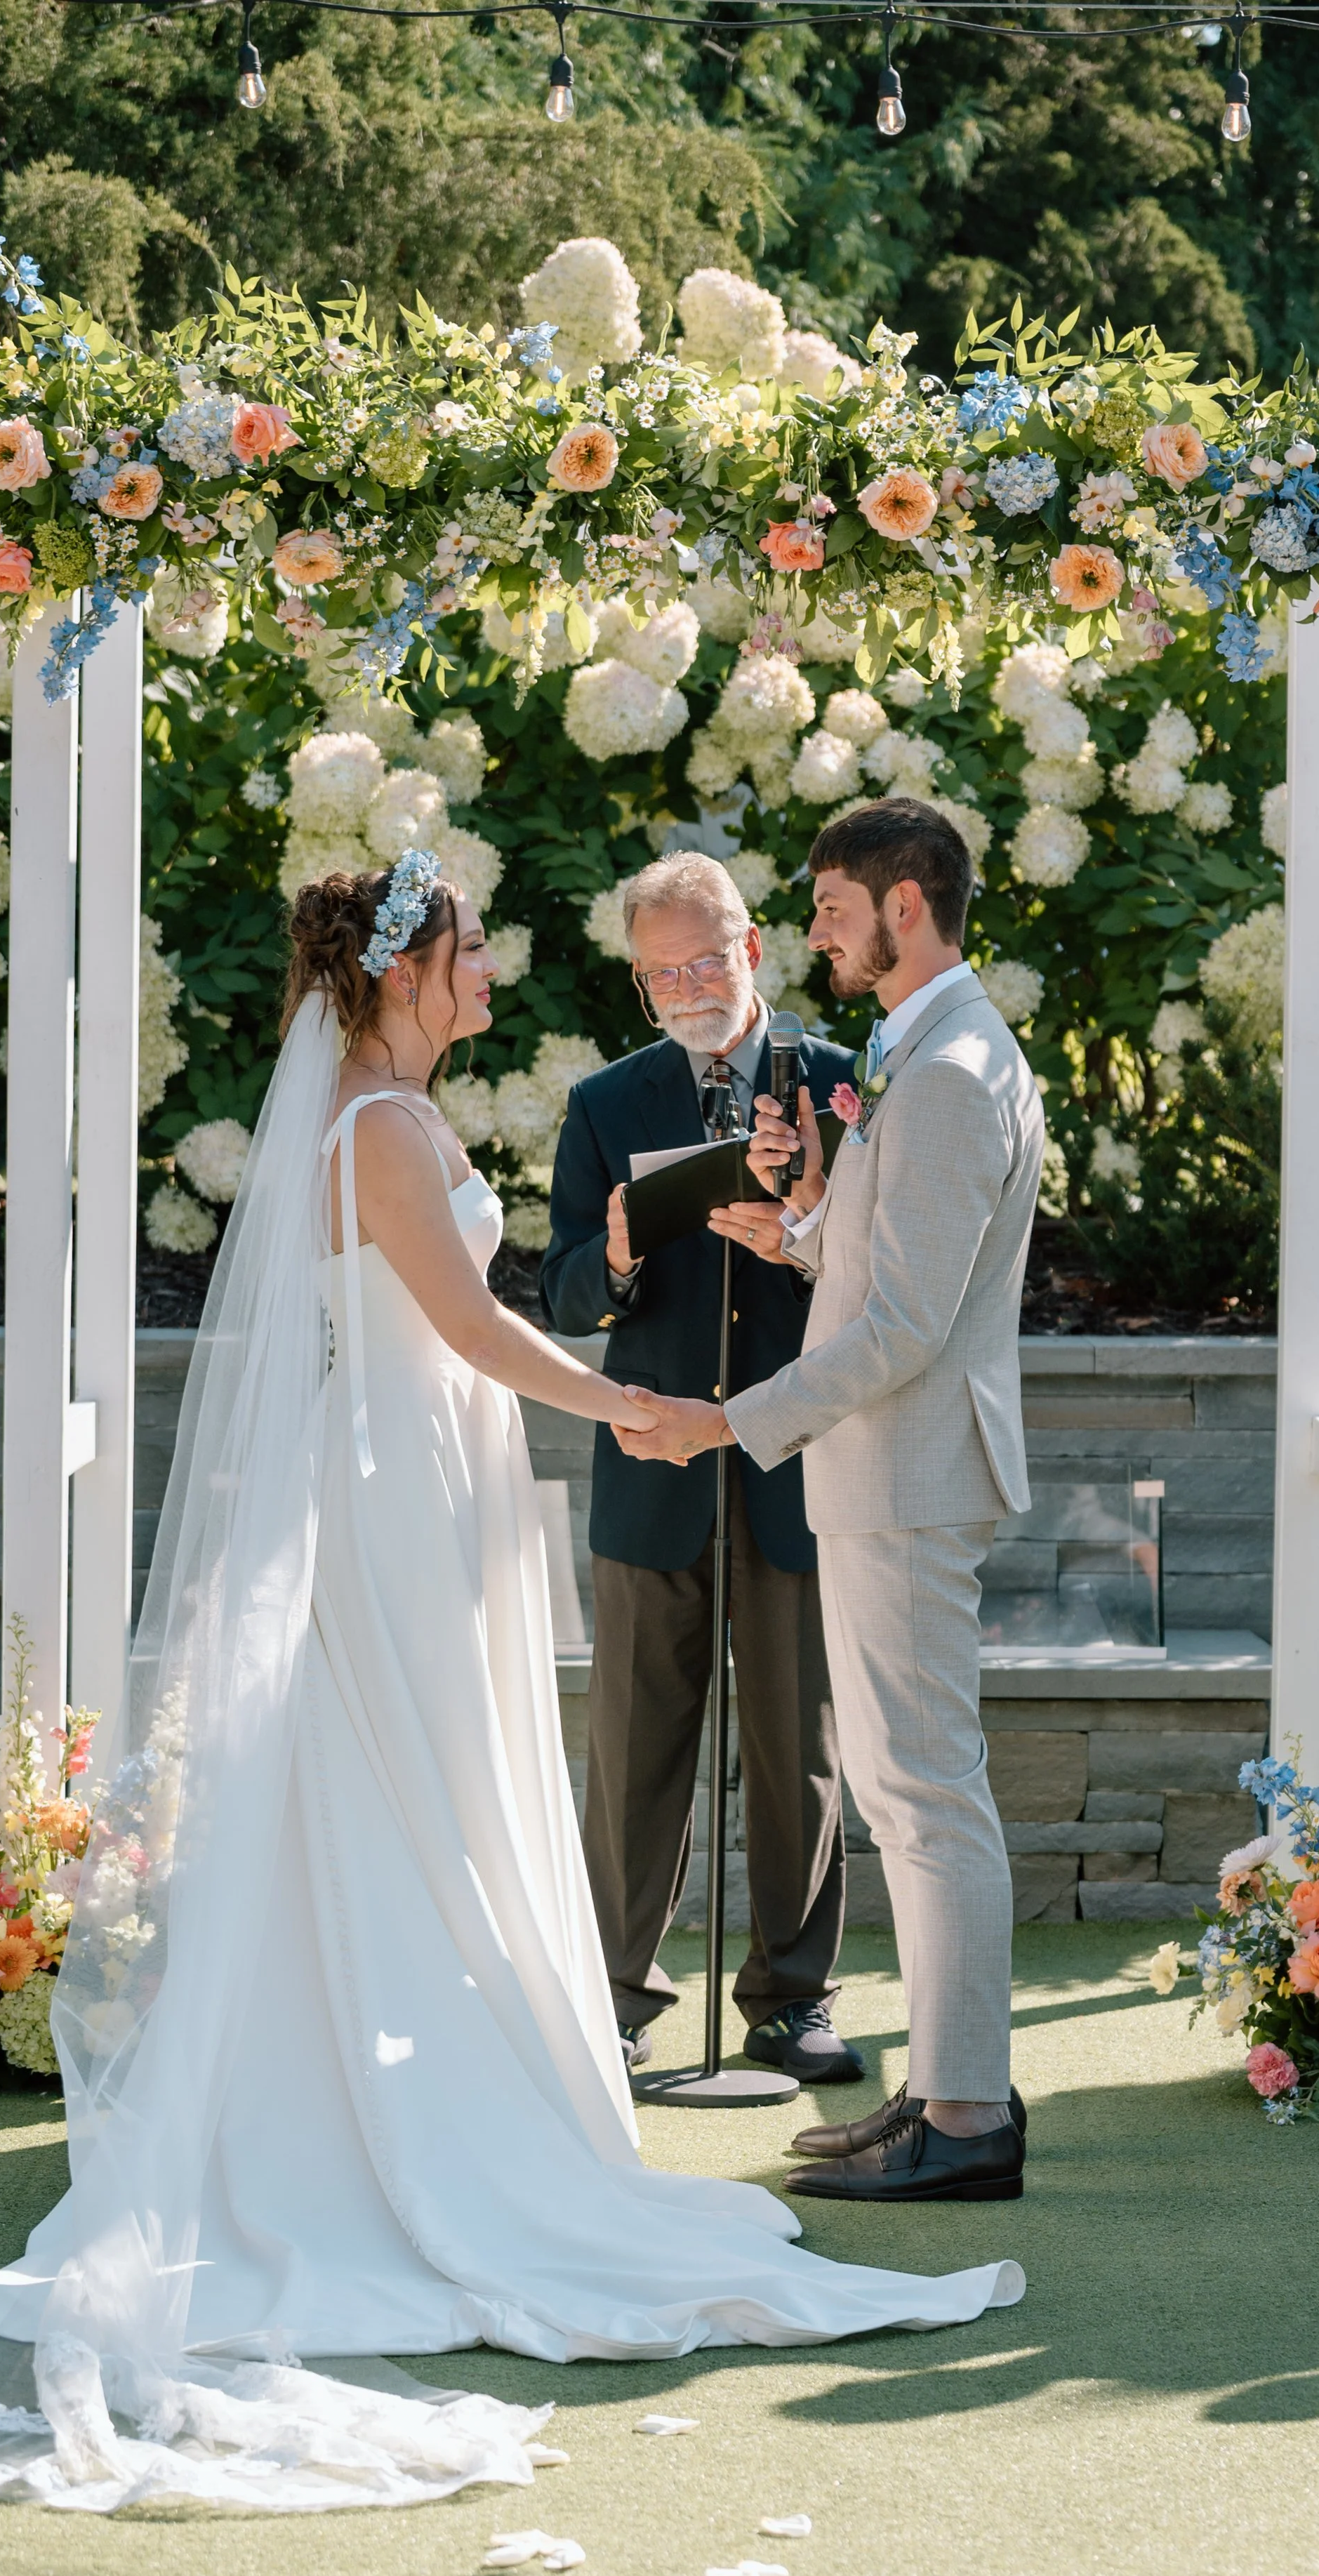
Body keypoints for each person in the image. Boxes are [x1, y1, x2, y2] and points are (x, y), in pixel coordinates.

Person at [0, 848, 1023, 2516]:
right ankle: (371, 2112)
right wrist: (630, 1407)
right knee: (403, 1779)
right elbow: (483, 1326)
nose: (493, 974)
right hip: (400, 1483)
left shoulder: (395, 1115)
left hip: (435, 1470)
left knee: (440, 1779)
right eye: (473, 952)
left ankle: (452, 2056)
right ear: (406, 971)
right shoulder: (383, 1128)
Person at [615, 799, 1044, 2206]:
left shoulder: (946, 1068)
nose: (815, 932)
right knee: (906, 1793)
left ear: (903, 905)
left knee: (925, 1794)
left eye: (832, 908)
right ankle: (937, 2086)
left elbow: (906, 1328)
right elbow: (882, 1274)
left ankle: (967, 2114)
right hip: (886, 1472)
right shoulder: (918, 1050)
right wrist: (794, 1229)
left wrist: (724, 1423)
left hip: (906, 1473)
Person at [541, 852, 863, 2087]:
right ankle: (614, 1998)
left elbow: (883, 1282)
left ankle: (794, 1998)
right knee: (632, 1749)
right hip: (649, 1465)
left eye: (703, 959)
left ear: (754, 952)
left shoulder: (842, 1086)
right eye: (659, 969)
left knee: (802, 1747)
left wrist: (797, 1246)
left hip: (796, 1467)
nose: (685, 986)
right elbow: (560, 1289)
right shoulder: (607, 1103)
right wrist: (616, 1252)